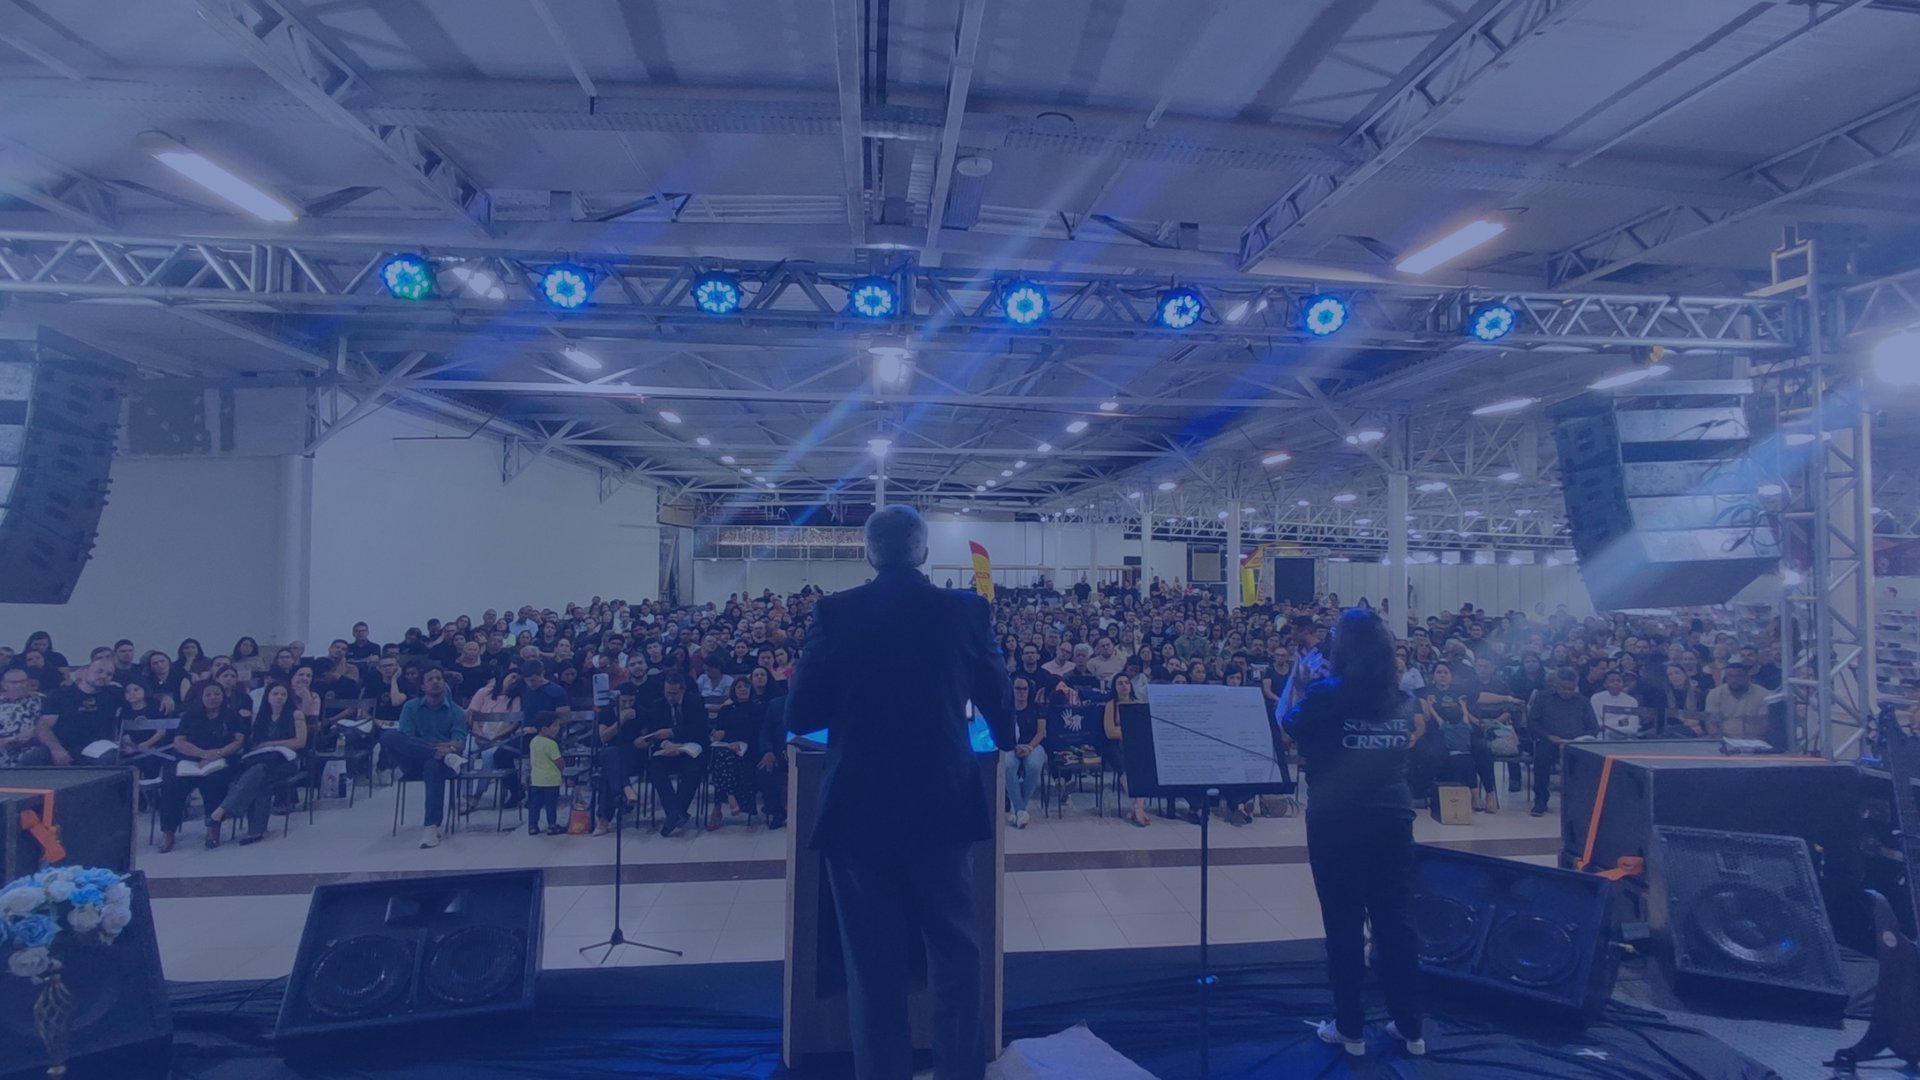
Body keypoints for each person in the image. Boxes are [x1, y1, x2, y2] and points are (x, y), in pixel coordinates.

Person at [785, 505, 1014, 1080]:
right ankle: (961, 1071)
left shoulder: (835, 613)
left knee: (873, 964)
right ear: (923, 551)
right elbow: (1002, 710)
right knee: (955, 952)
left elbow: (801, 711)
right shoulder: (966, 611)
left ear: (868, 552)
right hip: (942, 802)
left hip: (858, 808)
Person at [1282, 608, 1425, 1059]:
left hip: (1336, 819)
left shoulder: (1326, 693)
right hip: (1393, 817)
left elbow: (1287, 723)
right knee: (1395, 923)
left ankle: (1350, 1030)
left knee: (1343, 922)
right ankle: (1411, 1028)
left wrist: (1301, 682)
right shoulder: (1401, 698)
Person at [377, 667, 469, 849]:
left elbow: (459, 743)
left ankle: (431, 826)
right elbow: (407, 739)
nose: (436, 682)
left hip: (440, 764)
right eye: (431, 679)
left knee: (433, 765)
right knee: (388, 736)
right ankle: (438, 754)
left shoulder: (457, 711)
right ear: (423, 686)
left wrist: (441, 750)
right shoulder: (411, 707)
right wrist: (438, 748)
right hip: (413, 760)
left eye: (439, 678)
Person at [210, 681, 308, 845]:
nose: (279, 698)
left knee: (258, 772)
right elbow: (254, 743)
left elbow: (300, 742)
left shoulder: (295, 714)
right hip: (263, 760)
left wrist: (272, 745)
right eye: (275, 694)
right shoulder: (261, 717)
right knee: (260, 778)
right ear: (267, 697)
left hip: (285, 761)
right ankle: (255, 831)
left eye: (283, 694)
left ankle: (223, 810)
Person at [159, 682, 245, 852]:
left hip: (221, 759)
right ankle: (168, 833)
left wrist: (217, 754)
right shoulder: (190, 715)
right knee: (171, 783)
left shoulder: (233, 715)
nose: (213, 698)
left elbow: (238, 741)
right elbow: (179, 742)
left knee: (214, 782)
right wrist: (203, 754)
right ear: (201, 697)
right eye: (208, 695)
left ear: (223, 696)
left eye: (217, 694)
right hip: (191, 760)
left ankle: (213, 828)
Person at [642, 671, 709, 837]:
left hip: (690, 749)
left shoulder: (696, 702)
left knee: (693, 769)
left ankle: (673, 815)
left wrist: (672, 733)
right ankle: (676, 812)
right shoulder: (657, 705)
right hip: (667, 750)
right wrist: (666, 743)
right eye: (667, 693)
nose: (670, 697)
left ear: (682, 690)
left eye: (674, 693)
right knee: (655, 767)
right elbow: (654, 733)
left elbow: (700, 729)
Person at [1524, 668, 1597, 817]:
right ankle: (1540, 800)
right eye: (1563, 688)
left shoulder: (1583, 701)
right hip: (1549, 741)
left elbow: (1593, 727)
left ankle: (1578, 801)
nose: (1567, 692)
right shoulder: (1543, 698)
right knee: (1542, 759)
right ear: (1556, 685)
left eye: (1571, 689)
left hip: (1575, 744)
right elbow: (1533, 722)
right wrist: (1548, 736)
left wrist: (1583, 739)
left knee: (1585, 764)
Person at [25, 657, 121, 767]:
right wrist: (56, 749)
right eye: (99, 671)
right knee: (32, 758)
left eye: (109, 674)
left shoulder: (114, 694)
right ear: (85, 672)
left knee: (109, 758)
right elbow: (43, 727)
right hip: (63, 746)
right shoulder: (60, 696)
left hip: (98, 748)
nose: (104, 676)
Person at [709, 677, 765, 828]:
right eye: (739, 686)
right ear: (734, 690)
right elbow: (720, 730)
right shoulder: (726, 709)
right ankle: (731, 796)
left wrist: (737, 743)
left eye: (746, 686)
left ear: (750, 689)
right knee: (723, 757)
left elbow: (756, 733)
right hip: (727, 747)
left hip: (748, 750)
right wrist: (719, 734)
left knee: (722, 761)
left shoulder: (757, 709)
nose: (742, 689)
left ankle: (718, 807)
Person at [1102, 673, 1151, 828]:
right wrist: (1129, 731)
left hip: (1135, 744)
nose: (1124, 686)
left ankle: (1137, 808)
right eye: (1120, 683)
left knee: (1142, 767)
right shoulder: (1111, 704)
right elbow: (1110, 732)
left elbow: (1143, 731)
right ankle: (1138, 808)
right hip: (1114, 746)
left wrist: (1122, 729)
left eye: (1126, 683)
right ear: (1115, 688)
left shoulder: (1138, 704)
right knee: (1124, 769)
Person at [1004, 676, 1047, 829]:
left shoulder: (1037, 708)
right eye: (1017, 688)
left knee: (1034, 766)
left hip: (1033, 745)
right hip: (1011, 745)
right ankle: (1021, 809)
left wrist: (1028, 747)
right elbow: (1002, 731)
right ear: (1012, 690)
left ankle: (1017, 809)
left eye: (1024, 689)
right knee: (1007, 765)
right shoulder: (1006, 708)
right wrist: (1014, 747)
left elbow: (1041, 733)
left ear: (1029, 691)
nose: (1021, 692)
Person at [1704, 660, 1770, 740]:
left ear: (1748, 677)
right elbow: (1711, 723)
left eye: (1739, 676)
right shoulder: (1715, 694)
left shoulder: (1764, 695)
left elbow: (1765, 724)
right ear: (1726, 678)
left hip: (1756, 740)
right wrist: (1720, 741)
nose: (1734, 679)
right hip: (1724, 740)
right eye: (1730, 676)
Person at [525, 711, 566, 835]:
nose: (557, 728)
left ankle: (532, 826)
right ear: (544, 729)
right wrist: (562, 768)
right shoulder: (551, 744)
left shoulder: (533, 741)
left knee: (534, 805)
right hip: (551, 780)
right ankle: (551, 826)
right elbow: (558, 761)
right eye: (554, 725)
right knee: (551, 805)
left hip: (536, 779)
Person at [0, 667, 44, 767]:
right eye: (14, 683)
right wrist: (14, 739)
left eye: (22, 682)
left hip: (33, 749)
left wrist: (35, 731)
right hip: (4, 749)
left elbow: (52, 724)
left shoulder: (41, 700)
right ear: (4, 685)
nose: (19, 685)